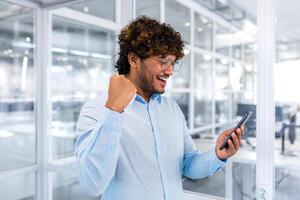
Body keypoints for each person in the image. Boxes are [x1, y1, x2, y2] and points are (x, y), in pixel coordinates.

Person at [75, 16, 244, 200]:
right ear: (133, 59)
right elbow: (92, 184)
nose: (170, 71)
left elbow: (188, 164)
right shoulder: (98, 110)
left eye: (172, 63)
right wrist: (113, 111)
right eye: (163, 61)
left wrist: (217, 155)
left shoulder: (172, 109)